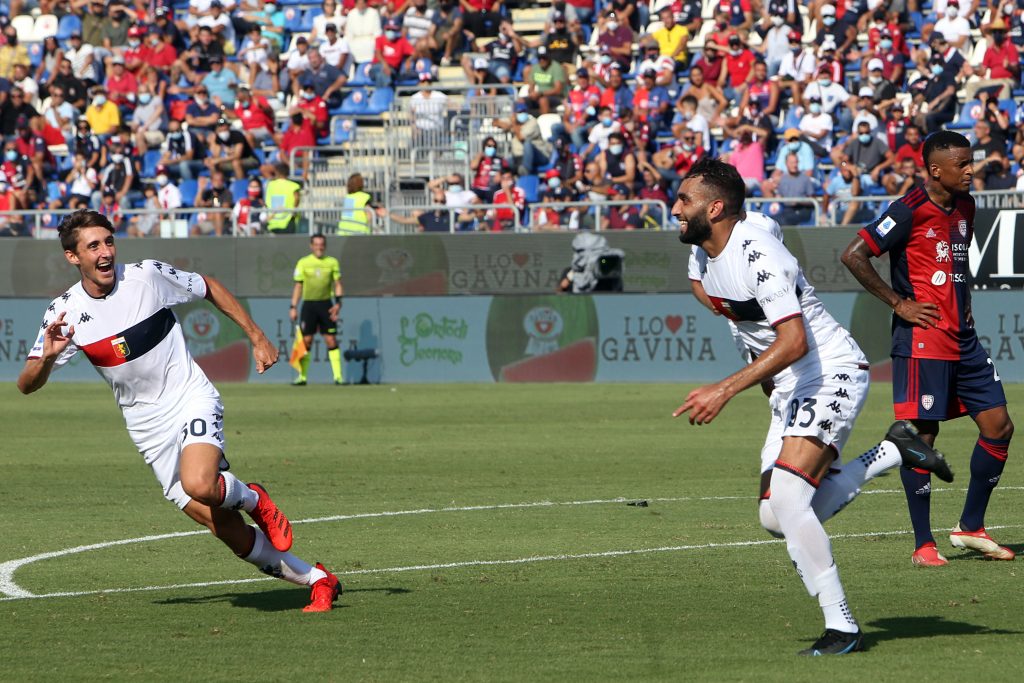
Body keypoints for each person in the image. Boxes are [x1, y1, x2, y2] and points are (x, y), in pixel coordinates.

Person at [673, 157, 953, 655]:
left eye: (684, 201)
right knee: (775, 516)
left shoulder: (760, 253)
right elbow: (709, 290)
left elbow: (795, 341)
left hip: (828, 370)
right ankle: (894, 449)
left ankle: (842, 626)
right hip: (787, 384)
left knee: (788, 501)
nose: (675, 209)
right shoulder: (701, 252)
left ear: (715, 209)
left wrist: (724, 389)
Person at [17, 210, 341, 612]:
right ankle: (318, 580)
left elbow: (209, 287)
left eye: (109, 241)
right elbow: (27, 384)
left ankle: (255, 499)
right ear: (73, 256)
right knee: (225, 529)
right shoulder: (63, 312)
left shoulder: (147, 275)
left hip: (190, 398)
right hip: (148, 430)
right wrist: (48, 356)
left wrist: (256, 336)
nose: (105, 253)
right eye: (93, 246)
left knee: (200, 483)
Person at [841, 130, 1015, 567]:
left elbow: (955, 265)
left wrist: (963, 303)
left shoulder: (966, 206)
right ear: (936, 170)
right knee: (922, 439)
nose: (971, 170)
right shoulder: (908, 209)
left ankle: (970, 527)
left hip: (964, 339)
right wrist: (899, 303)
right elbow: (854, 254)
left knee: (999, 426)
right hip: (923, 340)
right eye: (962, 164)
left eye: (971, 161)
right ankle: (923, 544)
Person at [289, 233, 344, 386]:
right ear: (311, 246)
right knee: (306, 341)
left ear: (325, 246)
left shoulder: (332, 262)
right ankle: (302, 377)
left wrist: (338, 303)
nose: (319, 247)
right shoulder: (303, 262)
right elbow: (298, 286)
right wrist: (293, 307)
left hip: (326, 304)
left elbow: (338, 284)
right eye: (316, 244)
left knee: (331, 339)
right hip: (309, 305)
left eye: (322, 244)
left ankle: (338, 377)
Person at [266, 163, 302, 234]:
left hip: (272, 220)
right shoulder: (294, 186)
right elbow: (297, 199)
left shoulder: (270, 185)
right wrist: (294, 210)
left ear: (276, 172)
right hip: (288, 220)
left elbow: (267, 201)